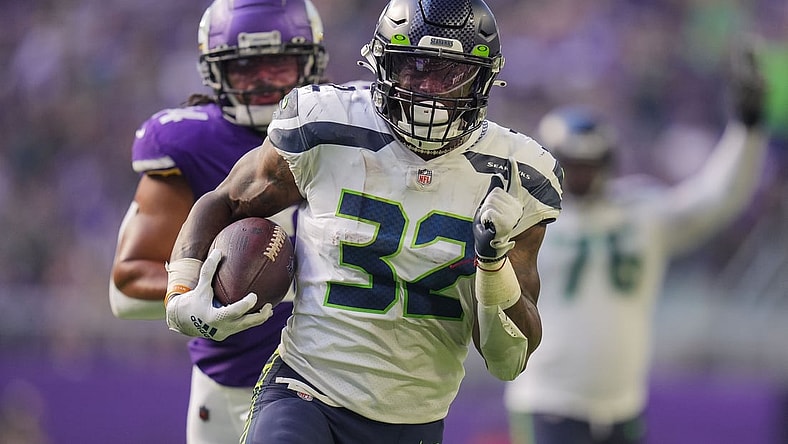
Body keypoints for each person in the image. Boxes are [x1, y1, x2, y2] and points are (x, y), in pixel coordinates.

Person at [162, 0, 564, 442]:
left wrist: (493, 264)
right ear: (382, 64)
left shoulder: (517, 175)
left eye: (449, 75)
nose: (429, 92)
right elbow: (226, 201)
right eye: (415, 69)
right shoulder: (327, 125)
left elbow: (509, 359)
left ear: (482, 79)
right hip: (306, 388)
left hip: (413, 418)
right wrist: (181, 290)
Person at [504, 41, 768, 444]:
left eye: (589, 166)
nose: (580, 177)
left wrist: (747, 129)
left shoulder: (640, 212)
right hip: (547, 400)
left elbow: (716, 199)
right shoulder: (527, 216)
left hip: (622, 404)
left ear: (608, 163)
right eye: (572, 166)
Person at [108, 0, 328, 442]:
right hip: (236, 389)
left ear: (310, 63)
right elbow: (126, 286)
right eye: (246, 67)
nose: (264, 81)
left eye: (279, 66)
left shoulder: (346, 124)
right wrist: (193, 291)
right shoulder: (191, 142)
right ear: (215, 73)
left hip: (345, 379)